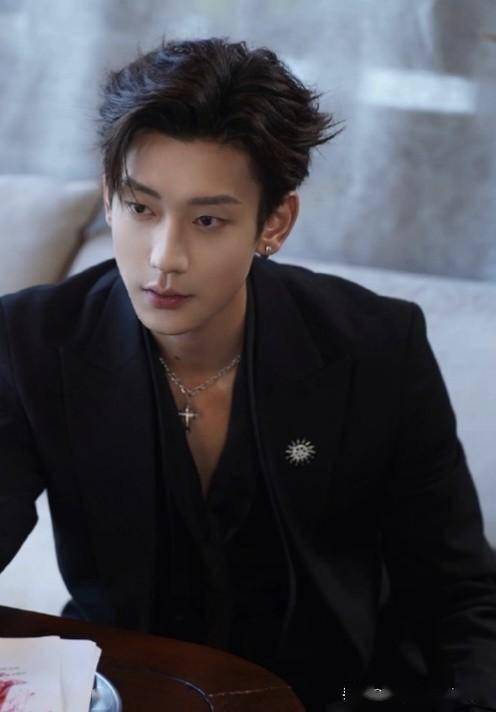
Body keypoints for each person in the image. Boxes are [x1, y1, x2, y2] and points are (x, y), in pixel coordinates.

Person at [1, 37, 495, 711]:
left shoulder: (379, 344)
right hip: (134, 688)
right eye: (142, 208)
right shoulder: (32, 339)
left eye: (207, 220)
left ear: (275, 223)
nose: (164, 257)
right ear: (109, 198)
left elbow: (460, 594)